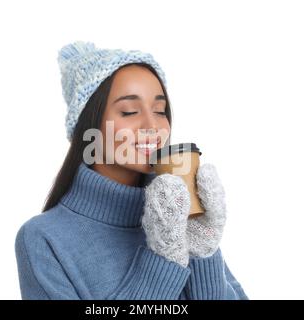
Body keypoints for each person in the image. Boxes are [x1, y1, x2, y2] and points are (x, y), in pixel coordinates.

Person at [14, 40, 248, 300]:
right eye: (129, 111)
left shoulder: (182, 214)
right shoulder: (43, 240)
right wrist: (162, 259)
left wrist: (203, 252)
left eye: (160, 111)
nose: (152, 125)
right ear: (89, 126)